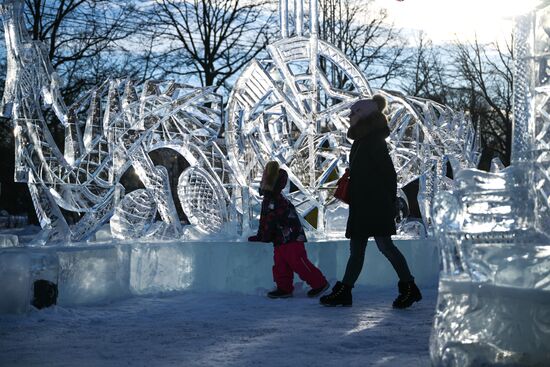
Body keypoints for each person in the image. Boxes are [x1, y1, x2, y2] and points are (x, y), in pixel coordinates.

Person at [320, 95, 422, 308]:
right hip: (363, 204)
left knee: (385, 246)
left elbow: (388, 174)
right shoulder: (362, 140)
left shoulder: (373, 141)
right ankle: (345, 290)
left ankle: (409, 287)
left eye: (354, 112)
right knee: (359, 250)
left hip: (375, 205)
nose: (350, 116)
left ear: (365, 115)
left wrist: (387, 203)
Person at [248, 161, 330, 299]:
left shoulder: (275, 199)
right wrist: (262, 235)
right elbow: (266, 219)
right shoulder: (271, 198)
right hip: (280, 239)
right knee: (281, 264)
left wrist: (263, 236)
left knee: (299, 262)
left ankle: (319, 283)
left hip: (292, 238)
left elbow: (270, 220)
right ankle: (284, 288)